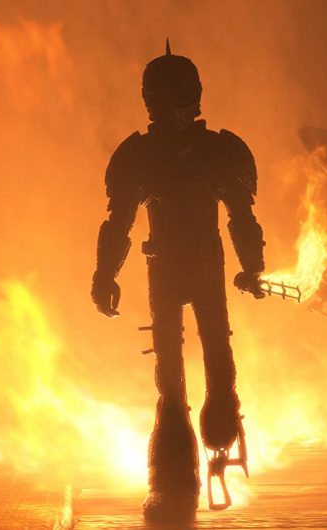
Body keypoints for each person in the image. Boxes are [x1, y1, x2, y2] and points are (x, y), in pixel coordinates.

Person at [90, 40, 266, 522]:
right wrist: (104, 273)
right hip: (170, 266)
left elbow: (241, 217)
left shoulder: (204, 153)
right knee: (174, 378)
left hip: (192, 264)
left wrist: (253, 266)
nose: (170, 112)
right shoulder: (153, 156)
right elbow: (119, 223)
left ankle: (206, 436)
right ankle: (174, 472)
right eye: (162, 101)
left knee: (215, 368)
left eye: (177, 99)